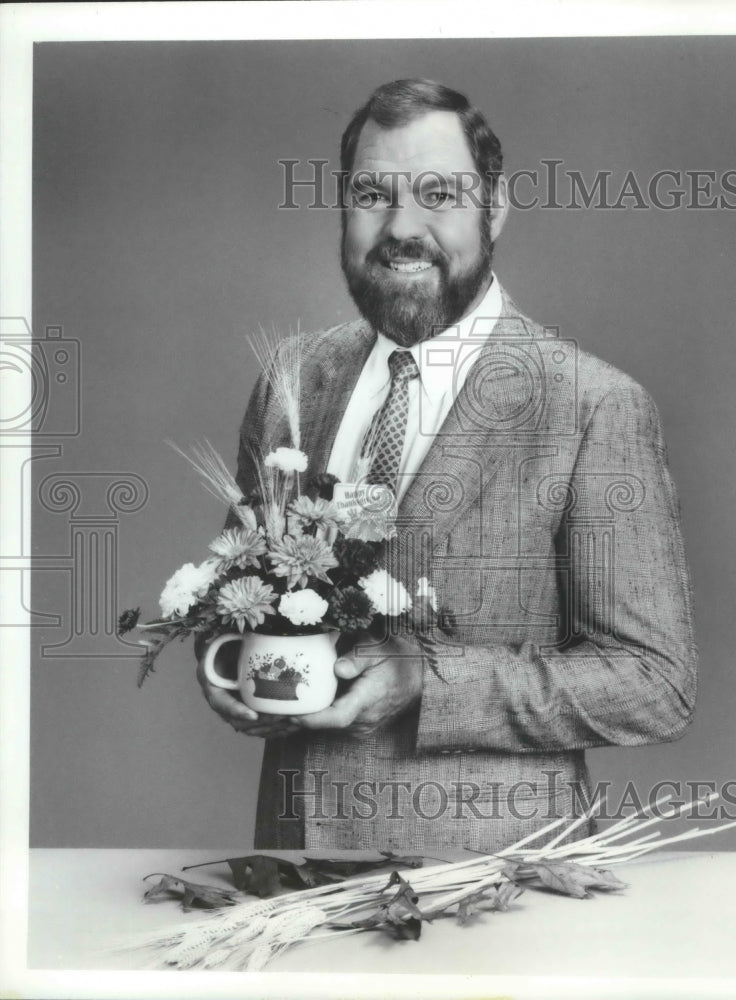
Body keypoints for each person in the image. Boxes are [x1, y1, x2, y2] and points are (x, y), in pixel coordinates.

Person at [197, 78, 697, 851]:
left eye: (438, 193)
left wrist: (429, 682)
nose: (402, 226)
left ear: (493, 211)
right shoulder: (293, 376)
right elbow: (241, 586)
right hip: (291, 872)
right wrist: (220, 655)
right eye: (372, 193)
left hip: (494, 897)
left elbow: (653, 684)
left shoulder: (591, 405)